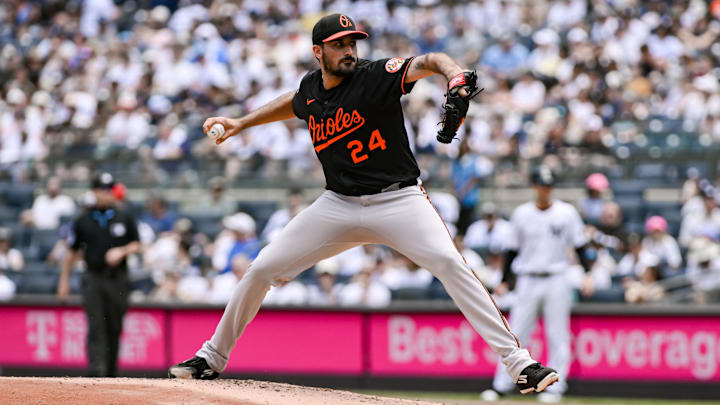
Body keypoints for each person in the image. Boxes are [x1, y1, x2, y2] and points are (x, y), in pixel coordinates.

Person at [169, 14, 557, 396]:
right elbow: (295, 102)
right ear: (317, 51)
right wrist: (241, 122)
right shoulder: (312, 89)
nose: (349, 50)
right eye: (339, 44)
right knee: (262, 269)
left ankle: (519, 364)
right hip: (337, 205)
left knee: (451, 264)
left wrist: (454, 74)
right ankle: (211, 358)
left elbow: (427, 61)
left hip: (399, 199)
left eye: (352, 42)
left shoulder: (375, 76)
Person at [481, 166, 590, 403]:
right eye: (541, 185)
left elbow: (580, 246)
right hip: (528, 278)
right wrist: (504, 282)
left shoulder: (566, 212)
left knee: (557, 334)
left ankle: (556, 387)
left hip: (557, 278)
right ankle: (501, 384)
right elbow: (511, 251)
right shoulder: (522, 213)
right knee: (516, 334)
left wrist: (587, 273)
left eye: (548, 186)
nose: (545, 190)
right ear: (534, 187)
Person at [57, 172, 141, 377]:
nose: (106, 194)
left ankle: (111, 373)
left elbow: (137, 244)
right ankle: (96, 372)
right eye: (101, 190)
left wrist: (122, 251)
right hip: (93, 277)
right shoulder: (83, 220)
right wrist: (64, 281)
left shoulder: (125, 216)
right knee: (95, 325)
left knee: (114, 325)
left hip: (118, 279)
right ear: (94, 192)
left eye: (109, 190)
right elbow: (72, 251)